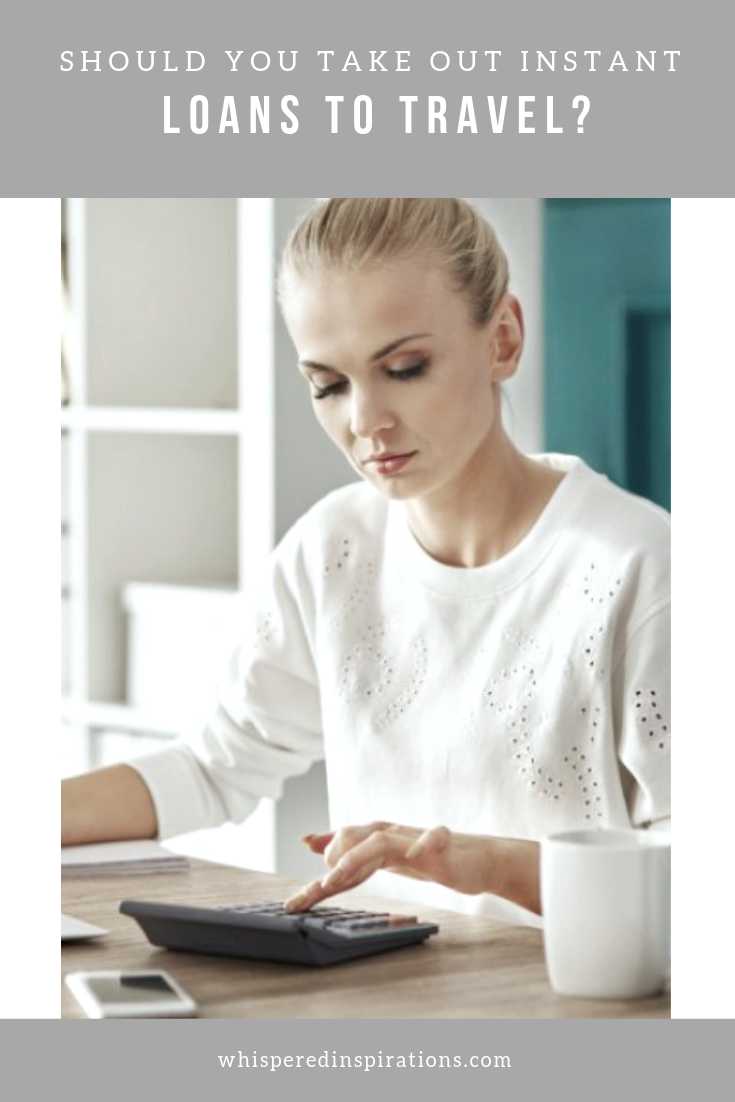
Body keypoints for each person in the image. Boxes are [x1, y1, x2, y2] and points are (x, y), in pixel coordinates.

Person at [61, 198, 670, 926]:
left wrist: (490, 865)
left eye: (405, 368)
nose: (364, 421)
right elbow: (214, 766)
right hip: (378, 1000)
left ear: (502, 339)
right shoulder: (332, 551)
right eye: (328, 384)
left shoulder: (642, 570)